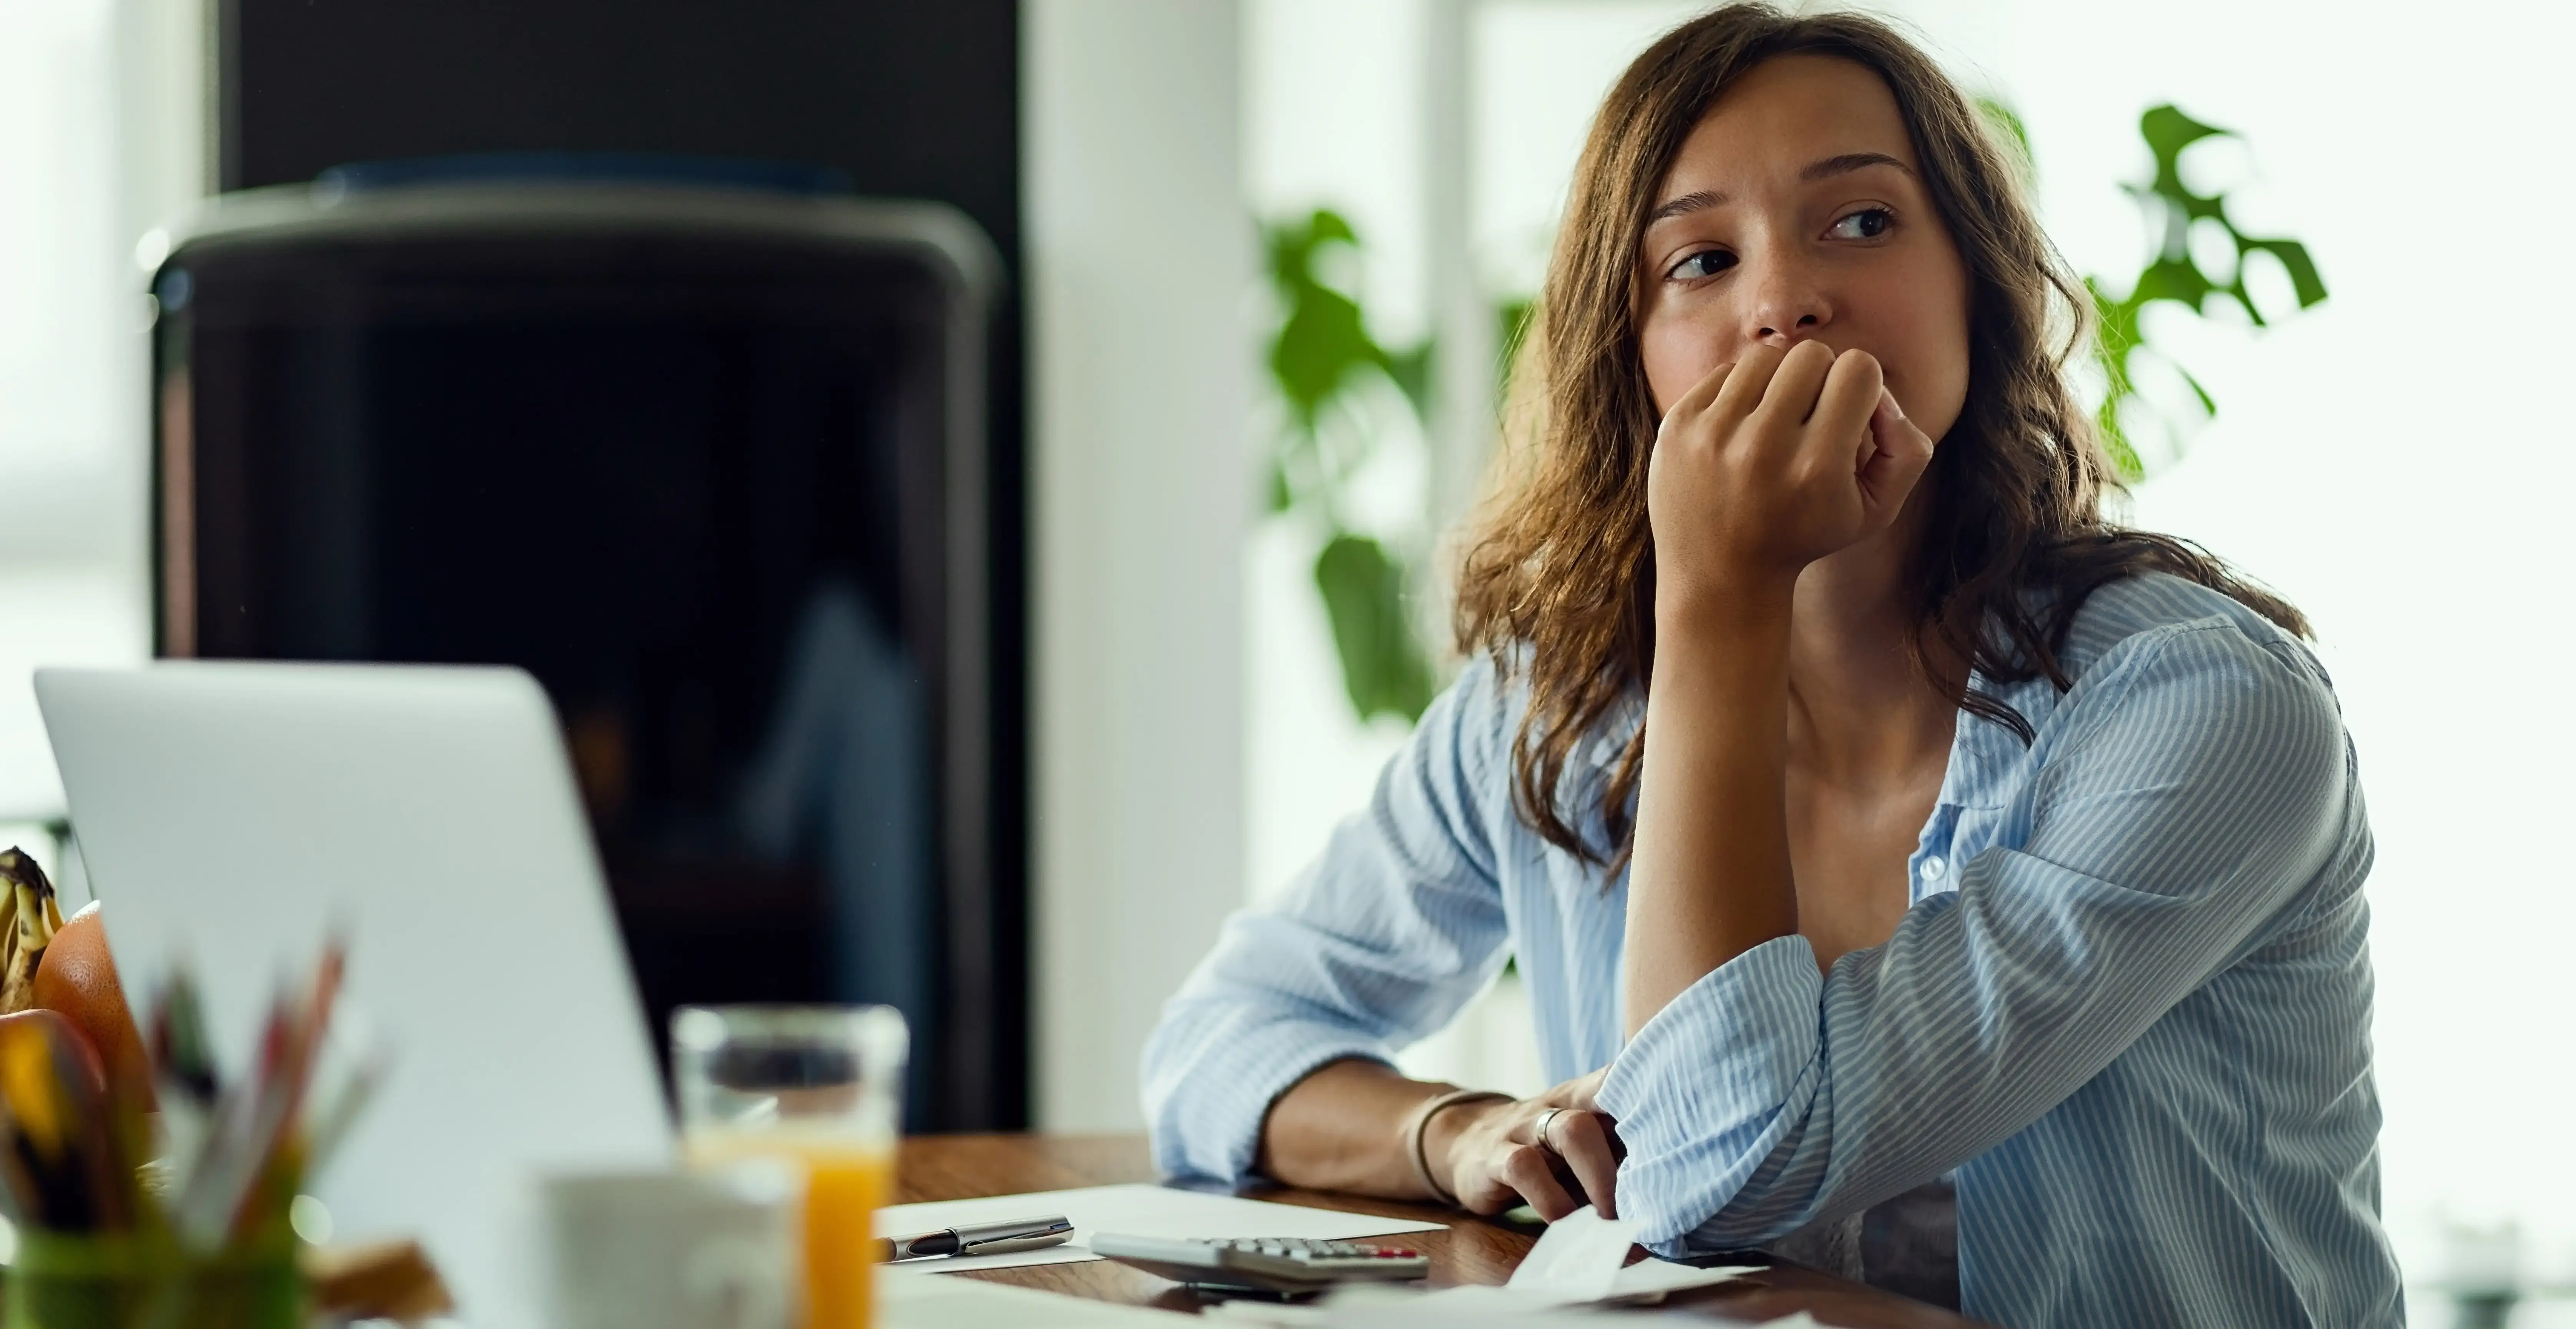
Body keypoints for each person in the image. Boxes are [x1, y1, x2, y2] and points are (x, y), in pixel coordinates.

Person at [1142, 5, 2402, 1326]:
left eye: (1861, 222)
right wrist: (1457, 1133)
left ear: (1978, 280)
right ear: (1628, 350)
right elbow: (1218, 1049)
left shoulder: (2202, 710)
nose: (1784, 299)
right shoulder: (1557, 708)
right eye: (1698, 259)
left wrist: (1720, 599)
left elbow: (1713, 1177)